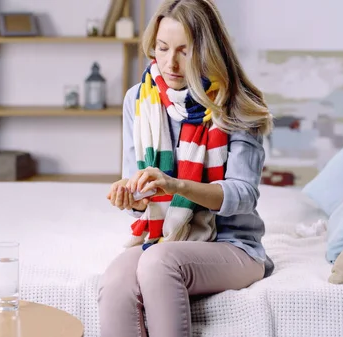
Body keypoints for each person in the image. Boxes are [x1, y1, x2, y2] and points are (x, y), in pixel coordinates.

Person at [97, 0, 275, 336]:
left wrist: (176, 186)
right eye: (162, 48)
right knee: (118, 280)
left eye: (185, 51)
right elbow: (141, 198)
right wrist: (133, 198)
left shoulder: (237, 103)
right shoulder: (139, 100)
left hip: (233, 246)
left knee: (158, 263)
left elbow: (243, 196)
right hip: (165, 238)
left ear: (207, 51)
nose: (170, 63)